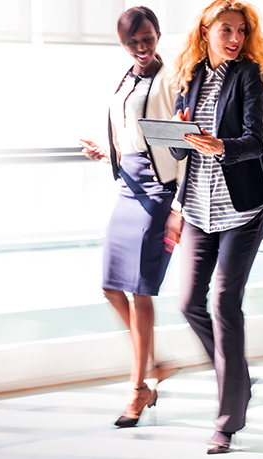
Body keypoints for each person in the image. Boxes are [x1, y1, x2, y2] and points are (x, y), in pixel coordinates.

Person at [165, 0, 263, 453]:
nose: (235, 39)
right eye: (226, 30)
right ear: (206, 32)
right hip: (197, 208)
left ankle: (227, 421)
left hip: (242, 210)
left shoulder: (248, 74)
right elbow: (179, 152)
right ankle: (239, 380)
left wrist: (219, 145)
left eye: (241, 31)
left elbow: (254, 140)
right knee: (191, 303)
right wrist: (178, 132)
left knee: (224, 303)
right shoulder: (190, 78)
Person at [79, 6, 183, 428]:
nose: (141, 47)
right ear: (124, 44)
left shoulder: (171, 78)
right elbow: (133, 133)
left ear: (158, 34)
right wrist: (107, 153)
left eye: (147, 38)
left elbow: (178, 141)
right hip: (128, 184)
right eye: (132, 42)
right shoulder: (125, 78)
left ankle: (139, 387)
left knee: (140, 290)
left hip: (158, 189)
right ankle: (154, 364)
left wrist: (177, 205)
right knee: (110, 286)